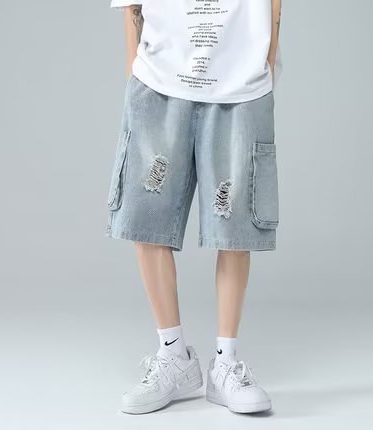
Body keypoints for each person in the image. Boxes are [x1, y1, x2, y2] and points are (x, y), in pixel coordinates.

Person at [106, 0, 283, 415]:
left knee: (236, 226)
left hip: (241, 82)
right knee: (146, 218)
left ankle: (226, 363)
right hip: (158, 78)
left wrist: (265, 61)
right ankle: (173, 356)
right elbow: (130, 6)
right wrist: (136, 71)